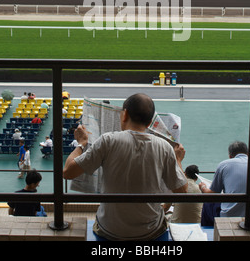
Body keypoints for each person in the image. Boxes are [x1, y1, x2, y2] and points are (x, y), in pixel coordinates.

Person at [63, 93, 188, 241]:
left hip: (109, 230)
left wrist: (81, 143)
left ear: (125, 114)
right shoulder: (164, 147)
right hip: (151, 232)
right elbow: (182, 190)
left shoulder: (108, 140)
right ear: (149, 123)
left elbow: (68, 172)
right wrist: (178, 159)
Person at [199, 141, 250, 217]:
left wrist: (203, 187)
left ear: (230, 156)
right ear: (248, 153)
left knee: (208, 206)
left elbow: (212, 194)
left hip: (229, 216)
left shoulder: (224, 165)